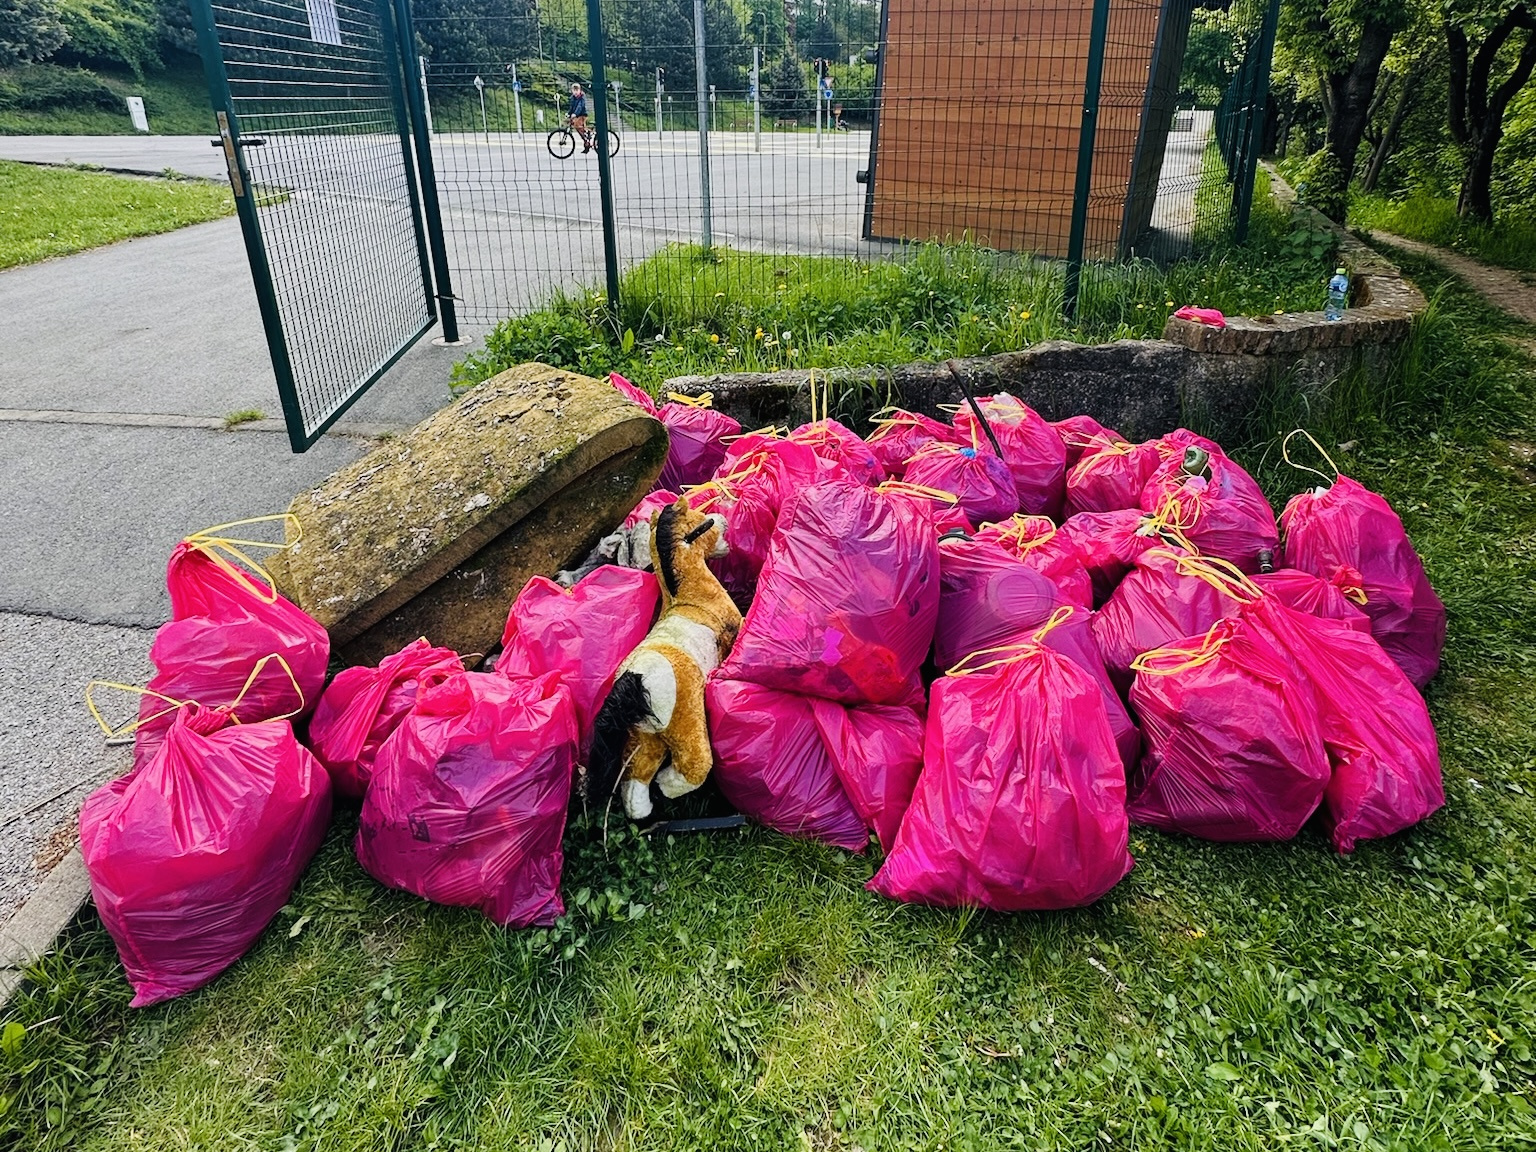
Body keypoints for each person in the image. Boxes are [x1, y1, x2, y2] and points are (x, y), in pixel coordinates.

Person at [568, 83, 592, 152]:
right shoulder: (572, 98)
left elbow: (580, 106)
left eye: (577, 90)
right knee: (575, 126)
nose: (575, 92)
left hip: (582, 114)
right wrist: (569, 113)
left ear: (580, 90)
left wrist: (575, 114)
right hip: (576, 115)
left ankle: (587, 132)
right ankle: (586, 142)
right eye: (574, 90)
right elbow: (572, 107)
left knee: (577, 125)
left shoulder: (582, 97)